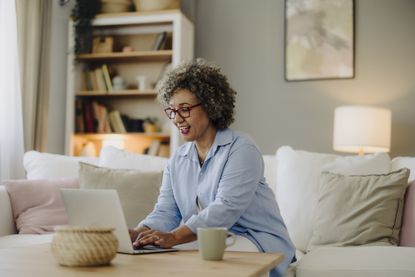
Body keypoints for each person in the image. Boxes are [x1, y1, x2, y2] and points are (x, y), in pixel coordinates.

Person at [129, 58, 295, 276]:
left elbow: (225, 208)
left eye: (185, 109)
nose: (177, 119)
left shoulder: (242, 149)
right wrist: (140, 233)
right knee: (155, 255)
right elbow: (167, 211)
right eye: (172, 111)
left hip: (255, 238)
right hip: (209, 239)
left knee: (196, 261)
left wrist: (176, 237)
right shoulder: (178, 159)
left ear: (210, 105)